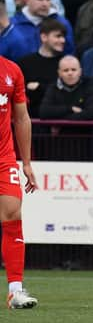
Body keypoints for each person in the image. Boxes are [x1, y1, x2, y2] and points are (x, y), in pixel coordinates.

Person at [0, 55, 38, 309]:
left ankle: (15, 291)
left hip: (4, 158)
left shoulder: (11, 70)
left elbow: (21, 118)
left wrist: (26, 162)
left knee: (13, 212)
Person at [17, 18, 67, 117]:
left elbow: (65, 93)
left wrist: (39, 87)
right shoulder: (25, 63)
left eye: (63, 37)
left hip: (58, 122)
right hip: (29, 120)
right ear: (44, 37)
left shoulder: (67, 63)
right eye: (58, 36)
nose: (63, 40)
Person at [40, 55, 93, 121]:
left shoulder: (89, 85)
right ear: (59, 73)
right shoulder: (53, 87)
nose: (70, 73)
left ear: (80, 72)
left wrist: (61, 119)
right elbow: (44, 112)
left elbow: (91, 113)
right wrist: (70, 109)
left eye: (73, 70)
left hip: (83, 130)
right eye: (66, 70)